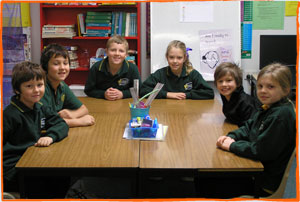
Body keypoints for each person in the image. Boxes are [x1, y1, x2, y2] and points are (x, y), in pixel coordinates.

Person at [216, 63, 296, 197]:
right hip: (256, 169)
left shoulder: (280, 116)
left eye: (270, 87)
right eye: (260, 86)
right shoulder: (269, 106)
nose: (263, 91)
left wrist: (232, 146)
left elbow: (259, 151)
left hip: (262, 181)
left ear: (286, 89)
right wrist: (232, 136)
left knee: (207, 183)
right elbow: (249, 126)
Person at [3, 61, 69, 193]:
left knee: (63, 175)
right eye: (29, 86)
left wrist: (51, 136)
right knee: (50, 181)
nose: (36, 90)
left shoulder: (40, 106)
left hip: (34, 158)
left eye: (40, 85)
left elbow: (61, 124)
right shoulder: (9, 115)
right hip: (14, 168)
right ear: (17, 90)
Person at [40, 43, 95, 127]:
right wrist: (79, 121)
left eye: (65, 63)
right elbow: (46, 122)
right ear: (45, 66)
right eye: (56, 64)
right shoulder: (40, 88)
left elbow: (84, 109)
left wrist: (72, 114)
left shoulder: (61, 85)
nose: (62, 67)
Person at [140, 40, 214, 100]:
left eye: (179, 58)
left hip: (188, 113)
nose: (175, 61)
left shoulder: (192, 74)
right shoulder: (160, 74)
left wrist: (186, 95)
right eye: (171, 57)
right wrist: (167, 94)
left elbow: (209, 93)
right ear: (167, 57)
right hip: (166, 112)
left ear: (184, 58)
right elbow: (143, 90)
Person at [84, 35, 141, 100]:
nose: (117, 53)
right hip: (101, 104)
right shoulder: (96, 68)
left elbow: (138, 91)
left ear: (126, 54)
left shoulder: (132, 69)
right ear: (106, 52)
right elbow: (88, 90)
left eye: (121, 51)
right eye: (113, 50)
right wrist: (104, 94)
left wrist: (123, 94)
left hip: (124, 104)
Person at [214, 62, 261, 127]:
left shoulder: (245, 104)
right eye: (220, 81)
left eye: (229, 80)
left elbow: (250, 129)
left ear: (238, 82)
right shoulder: (227, 97)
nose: (224, 84)